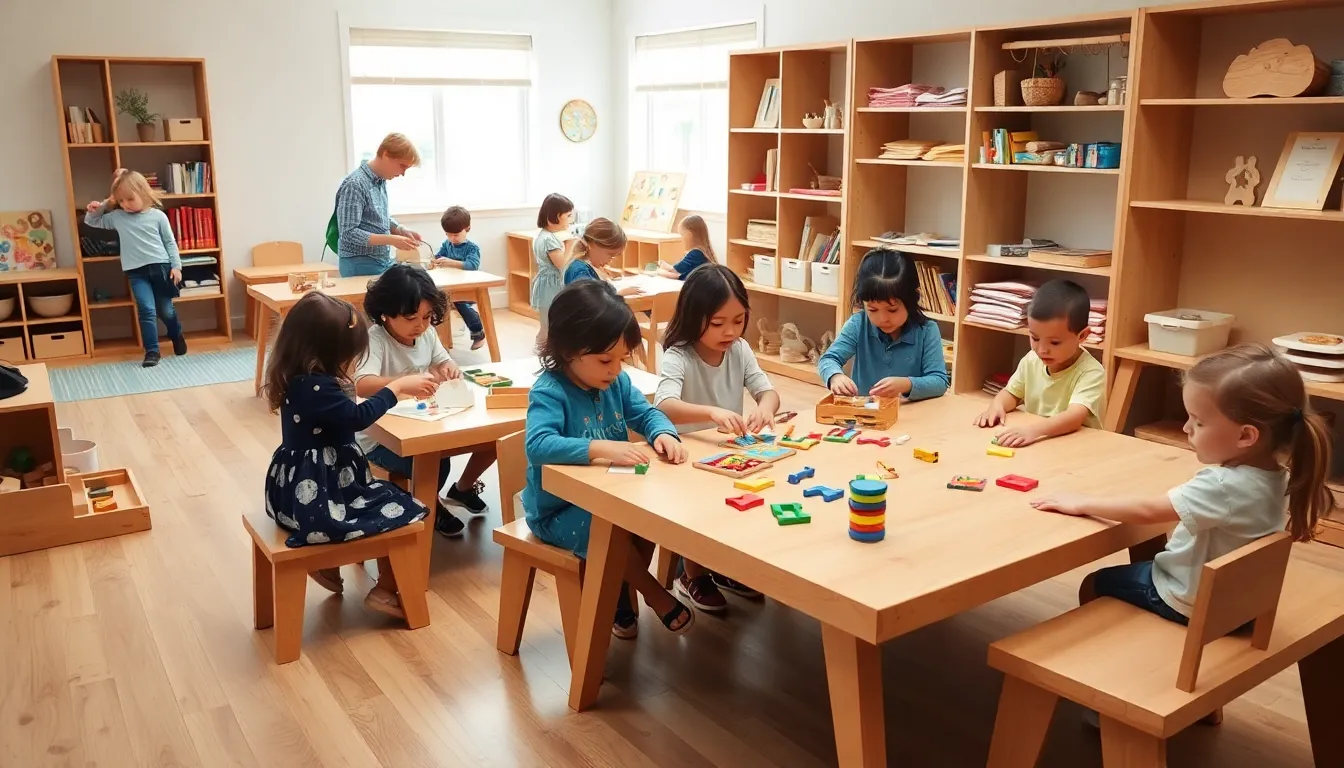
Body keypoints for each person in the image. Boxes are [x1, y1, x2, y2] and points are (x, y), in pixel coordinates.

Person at [1032, 344, 1332, 726]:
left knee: (1097, 583)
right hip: (1240, 606)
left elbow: (1148, 512)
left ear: (1246, 436)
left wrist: (1081, 502)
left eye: (1198, 422)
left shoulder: (1222, 485)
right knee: (1146, 563)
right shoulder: (1279, 476)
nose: (1187, 428)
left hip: (1187, 601)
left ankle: (1106, 696)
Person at [524, 280, 694, 637]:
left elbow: (646, 414)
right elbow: (537, 445)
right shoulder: (550, 391)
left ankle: (617, 591)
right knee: (606, 527)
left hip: (610, 497)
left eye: (622, 359)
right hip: (557, 511)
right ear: (568, 349)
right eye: (605, 360)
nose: (616, 369)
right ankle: (652, 594)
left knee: (646, 517)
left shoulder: (616, 382)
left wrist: (663, 433)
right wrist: (600, 448)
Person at [261, 291, 431, 618]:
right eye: (349, 354)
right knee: (402, 510)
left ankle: (326, 565)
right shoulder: (316, 386)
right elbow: (357, 418)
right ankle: (383, 590)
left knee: (384, 498)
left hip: (301, 490)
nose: (351, 360)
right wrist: (394, 389)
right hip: (320, 493)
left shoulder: (298, 376)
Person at [655, 264, 777, 611]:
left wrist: (765, 409)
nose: (730, 331)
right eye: (718, 323)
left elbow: (767, 391)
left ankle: (724, 566)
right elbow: (664, 404)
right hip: (685, 457)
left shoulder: (740, 350)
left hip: (727, 452)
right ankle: (692, 574)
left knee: (754, 492)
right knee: (700, 504)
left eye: (738, 320)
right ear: (694, 317)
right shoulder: (679, 355)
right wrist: (710, 412)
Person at [355, 264, 497, 538]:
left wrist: (449, 368)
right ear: (385, 313)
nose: (420, 325)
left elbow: (442, 360)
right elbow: (362, 384)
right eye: (411, 318)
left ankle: (460, 490)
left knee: (489, 439)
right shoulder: (376, 339)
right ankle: (429, 506)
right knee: (436, 462)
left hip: (421, 421)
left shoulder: (426, 334)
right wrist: (400, 384)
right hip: (379, 438)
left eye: (427, 316)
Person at [974, 279, 1104, 447]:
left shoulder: (1091, 372)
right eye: (1035, 338)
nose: (1042, 350)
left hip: (1078, 447)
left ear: (1083, 336)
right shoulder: (1031, 360)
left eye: (1054, 342)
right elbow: (1012, 394)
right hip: (1042, 443)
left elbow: (1074, 417)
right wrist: (997, 406)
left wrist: (1033, 431)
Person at [84, 169, 185, 368]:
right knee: (147, 310)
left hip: (161, 268)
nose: (125, 205)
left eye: (129, 199)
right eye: (120, 201)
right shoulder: (118, 217)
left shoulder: (158, 216)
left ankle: (176, 334)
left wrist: (176, 266)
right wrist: (105, 203)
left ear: (143, 192)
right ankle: (152, 351)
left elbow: (170, 242)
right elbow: (91, 221)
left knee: (166, 311)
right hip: (136, 272)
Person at [817, 249, 949, 400]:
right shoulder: (858, 324)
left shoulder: (927, 330)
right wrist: (835, 376)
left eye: (892, 310)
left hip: (909, 411)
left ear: (914, 298)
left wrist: (906, 384)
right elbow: (829, 359)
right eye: (872, 309)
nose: (882, 319)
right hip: (866, 410)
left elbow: (939, 382)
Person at [335, 132, 424, 277]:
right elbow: (348, 233)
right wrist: (391, 240)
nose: (403, 173)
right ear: (386, 155)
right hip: (359, 263)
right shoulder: (355, 184)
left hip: (379, 261)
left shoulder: (380, 182)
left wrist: (399, 229)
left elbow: (377, 218)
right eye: (402, 166)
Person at [432, 205, 486, 350]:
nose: (452, 238)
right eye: (448, 234)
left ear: (467, 228)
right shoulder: (447, 244)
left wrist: (451, 262)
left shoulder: (472, 248)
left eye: (455, 235)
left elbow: (472, 265)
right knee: (434, 300)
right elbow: (439, 255)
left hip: (468, 286)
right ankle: (437, 340)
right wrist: (435, 260)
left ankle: (478, 332)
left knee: (460, 303)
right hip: (451, 286)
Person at [529, 193, 575, 341]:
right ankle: (543, 350)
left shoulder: (544, 236)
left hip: (548, 284)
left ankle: (543, 349)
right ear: (554, 217)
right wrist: (570, 245)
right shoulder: (549, 240)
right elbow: (561, 263)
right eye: (568, 216)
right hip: (550, 286)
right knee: (548, 326)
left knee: (548, 325)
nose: (570, 220)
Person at [562, 217, 642, 297]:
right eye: (610, 255)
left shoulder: (587, 267)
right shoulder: (579, 270)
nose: (610, 261)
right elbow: (589, 301)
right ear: (594, 244)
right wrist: (618, 295)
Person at [656, 214, 716, 280]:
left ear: (689, 235)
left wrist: (660, 268)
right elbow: (678, 275)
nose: (681, 239)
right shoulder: (703, 251)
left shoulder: (696, 253)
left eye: (682, 234)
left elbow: (674, 270)